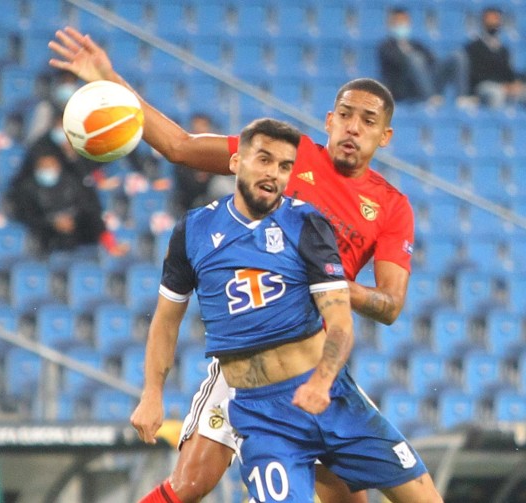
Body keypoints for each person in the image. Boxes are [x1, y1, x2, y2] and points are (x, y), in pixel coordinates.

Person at [48, 27, 439, 503]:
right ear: (329, 120)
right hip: (247, 354)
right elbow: (180, 146)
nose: (354, 127)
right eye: (345, 116)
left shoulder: (392, 207)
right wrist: (109, 81)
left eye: (368, 120)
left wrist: (322, 281)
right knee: (193, 481)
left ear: (385, 135)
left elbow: (390, 305)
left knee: (351, 495)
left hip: (310, 353)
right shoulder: (283, 158)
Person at [131, 117, 440, 503]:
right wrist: (152, 393)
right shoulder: (193, 231)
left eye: (283, 167)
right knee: (192, 482)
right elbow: (166, 320)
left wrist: (322, 381)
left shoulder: (307, 224)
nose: (273, 174)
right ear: (235, 162)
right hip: (261, 414)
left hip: (329, 396)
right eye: (263, 160)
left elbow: (341, 321)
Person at [5, 151, 127, 256]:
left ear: (58, 166)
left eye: (50, 166)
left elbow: (90, 211)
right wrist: (52, 222)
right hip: (45, 242)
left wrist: (111, 245)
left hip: (78, 240)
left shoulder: (72, 184)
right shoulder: (29, 190)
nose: (47, 170)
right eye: (43, 167)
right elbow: (26, 216)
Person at [378, 6, 469, 105]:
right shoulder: (386, 46)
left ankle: (462, 98)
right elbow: (398, 63)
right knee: (414, 58)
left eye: (404, 21)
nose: (402, 24)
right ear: (391, 23)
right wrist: (413, 58)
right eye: (398, 21)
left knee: (457, 56)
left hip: (428, 81)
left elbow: (432, 61)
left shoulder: (416, 44)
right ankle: (430, 99)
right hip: (406, 87)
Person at [464, 6, 526, 108]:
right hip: (484, 86)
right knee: (496, 94)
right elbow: (475, 75)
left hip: (505, 86)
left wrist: (515, 83)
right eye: (491, 19)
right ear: (484, 21)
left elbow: (508, 73)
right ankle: (497, 121)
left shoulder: (503, 49)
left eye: (496, 19)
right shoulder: (474, 47)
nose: (494, 23)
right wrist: (503, 86)